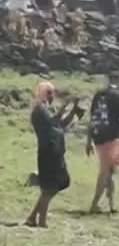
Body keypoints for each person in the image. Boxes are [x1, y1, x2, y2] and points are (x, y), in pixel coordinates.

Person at [27, 82, 82, 228]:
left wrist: (73, 110)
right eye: (49, 93)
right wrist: (66, 106)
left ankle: (33, 217)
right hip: (48, 151)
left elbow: (62, 124)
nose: (52, 96)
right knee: (50, 186)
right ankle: (41, 221)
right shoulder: (40, 108)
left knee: (60, 182)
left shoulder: (49, 109)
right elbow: (53, 121)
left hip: (56, 151)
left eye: (52, 93)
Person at [86, 72, 119, 214]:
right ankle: (94, 204)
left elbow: (92, 118)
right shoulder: (118, 97)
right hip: (111, 137)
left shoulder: (98, 95)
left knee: (110, 172)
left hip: (98, 136)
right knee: (106, 171)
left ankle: (112, 204)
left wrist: (88, 141)